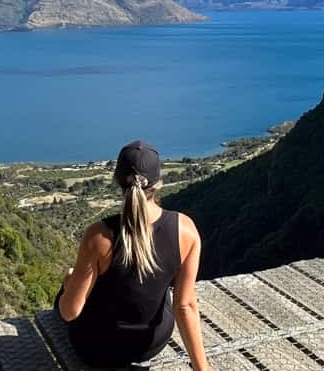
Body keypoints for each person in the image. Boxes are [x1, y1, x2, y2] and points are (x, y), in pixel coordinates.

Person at [56, 141, 210, 370]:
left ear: (118, 181)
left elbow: (69, 313)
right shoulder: (185, 230)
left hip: (98, 350)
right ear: (159, 183)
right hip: (150, 344)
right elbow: (185, 306)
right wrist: (202, 368)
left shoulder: (98, 236)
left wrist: (69, 283)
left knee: (68, 288)